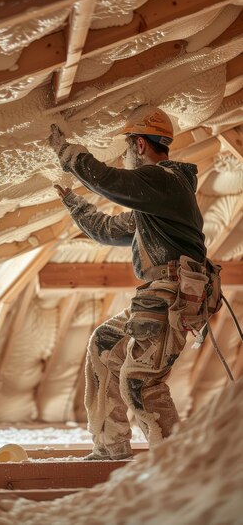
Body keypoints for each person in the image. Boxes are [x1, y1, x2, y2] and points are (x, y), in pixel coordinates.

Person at [49, 105, 208, 460]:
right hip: (156, 298)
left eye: (126, 148)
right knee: (105, 344)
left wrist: (68, 153)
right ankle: (111, 449)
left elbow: (110, 181)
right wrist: (75, 205)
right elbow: (108, 231)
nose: (126, 155)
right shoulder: (154, 201)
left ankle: (177, 468)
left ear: (138, 145)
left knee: (140, 380)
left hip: (173, 298)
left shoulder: (165, 180)